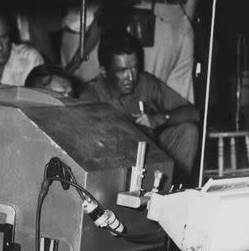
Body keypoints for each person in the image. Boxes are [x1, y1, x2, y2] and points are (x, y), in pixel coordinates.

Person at [81, 30, 200, 181]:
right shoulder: (89, 94)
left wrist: (161, 118)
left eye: (134, 68)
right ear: (104, 71)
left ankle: (174, 191)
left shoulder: (144, 82)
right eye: (122, 71)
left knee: (188, 131)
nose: (131, 77)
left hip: (151, 154)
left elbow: (194, 113)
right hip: (113, 164)